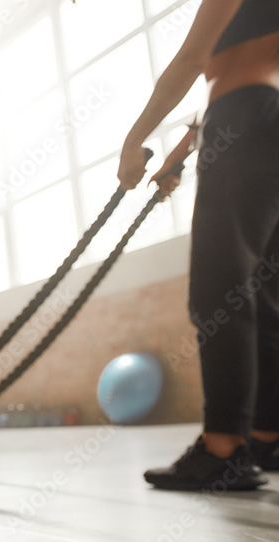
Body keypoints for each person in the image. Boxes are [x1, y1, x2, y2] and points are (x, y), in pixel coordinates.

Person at [117, 0, 279, 491]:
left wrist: (135, 138)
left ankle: (223, 449)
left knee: (220, 287)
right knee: (262, 293)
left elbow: (193, 59)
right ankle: (265, 436)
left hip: (243, 119)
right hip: (264, 121)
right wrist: (181, 151)